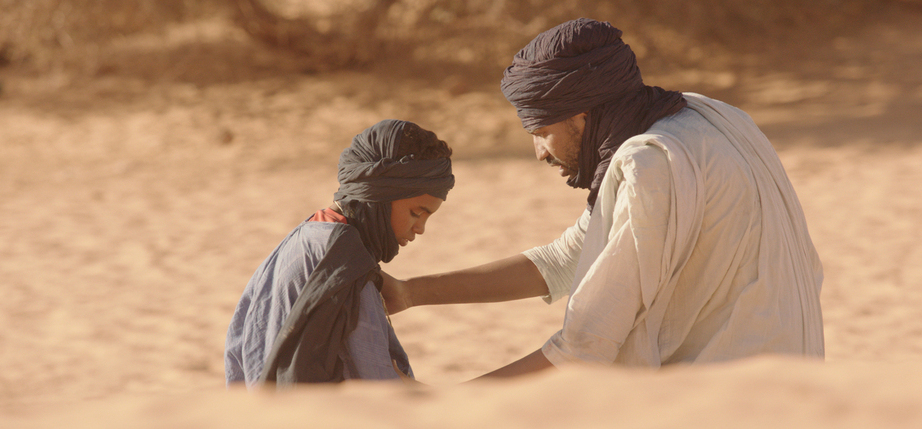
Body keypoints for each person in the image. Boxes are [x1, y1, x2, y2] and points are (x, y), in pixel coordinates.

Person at [381, 18, 824, 378]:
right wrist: (408, 293)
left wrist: (441, 407)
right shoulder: (714, 116)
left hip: (731, 402)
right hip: (797, 381)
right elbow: (566, 259)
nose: (539, 153)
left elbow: (583, 349)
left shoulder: (650, 162)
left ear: (583, 115)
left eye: (541, 132)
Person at [224, 119, 454, 386]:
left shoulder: (304, 236)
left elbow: (237, 349)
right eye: (417, 213)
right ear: (377, 196)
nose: (421, 229)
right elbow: (380, 384)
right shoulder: (345, 263)